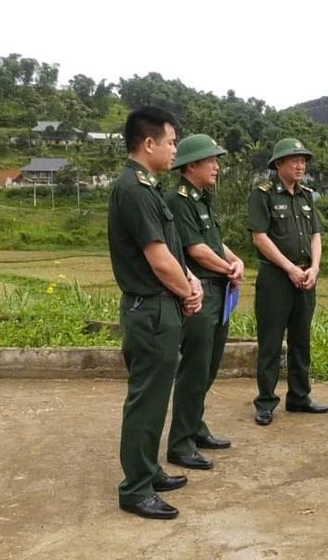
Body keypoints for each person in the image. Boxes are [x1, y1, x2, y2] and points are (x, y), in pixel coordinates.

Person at [108, 106, 204, 520]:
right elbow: (157, 259)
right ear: (149, 144)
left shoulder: (147, 189)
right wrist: (188, 292)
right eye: (170, 143)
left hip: (160, 309)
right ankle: (136, 488)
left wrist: (190, 280)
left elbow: (170, 252)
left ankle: (149, 470)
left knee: (155, 396)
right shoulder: (133, 189)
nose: (174, 150)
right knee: (146, 401)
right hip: (150, 311)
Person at [165, 134, 244, 470]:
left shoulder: (202, 199)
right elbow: (195, 250)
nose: (216, 166)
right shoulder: (179, 199)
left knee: (209, 367)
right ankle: (180, 444)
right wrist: (228, 268)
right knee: (194, 370)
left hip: (219, 290)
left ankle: (196, 427)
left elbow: (214, 242)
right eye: (211, 160)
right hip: (199, 294)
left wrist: (235, 260)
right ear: (192, 165)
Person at [248, 138, 327, 426]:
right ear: (278, 164)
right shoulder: (263, 194)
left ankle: (299, 396)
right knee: (270, 341)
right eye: (293, 159)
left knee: (301, 339)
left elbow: (316, 235)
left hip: (307, 277)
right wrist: (290, 268)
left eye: (303, 160)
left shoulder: (306, 195)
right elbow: (259, 236)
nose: (300, 164)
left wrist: (314, 268)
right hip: (275, 278)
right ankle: (266, 401)